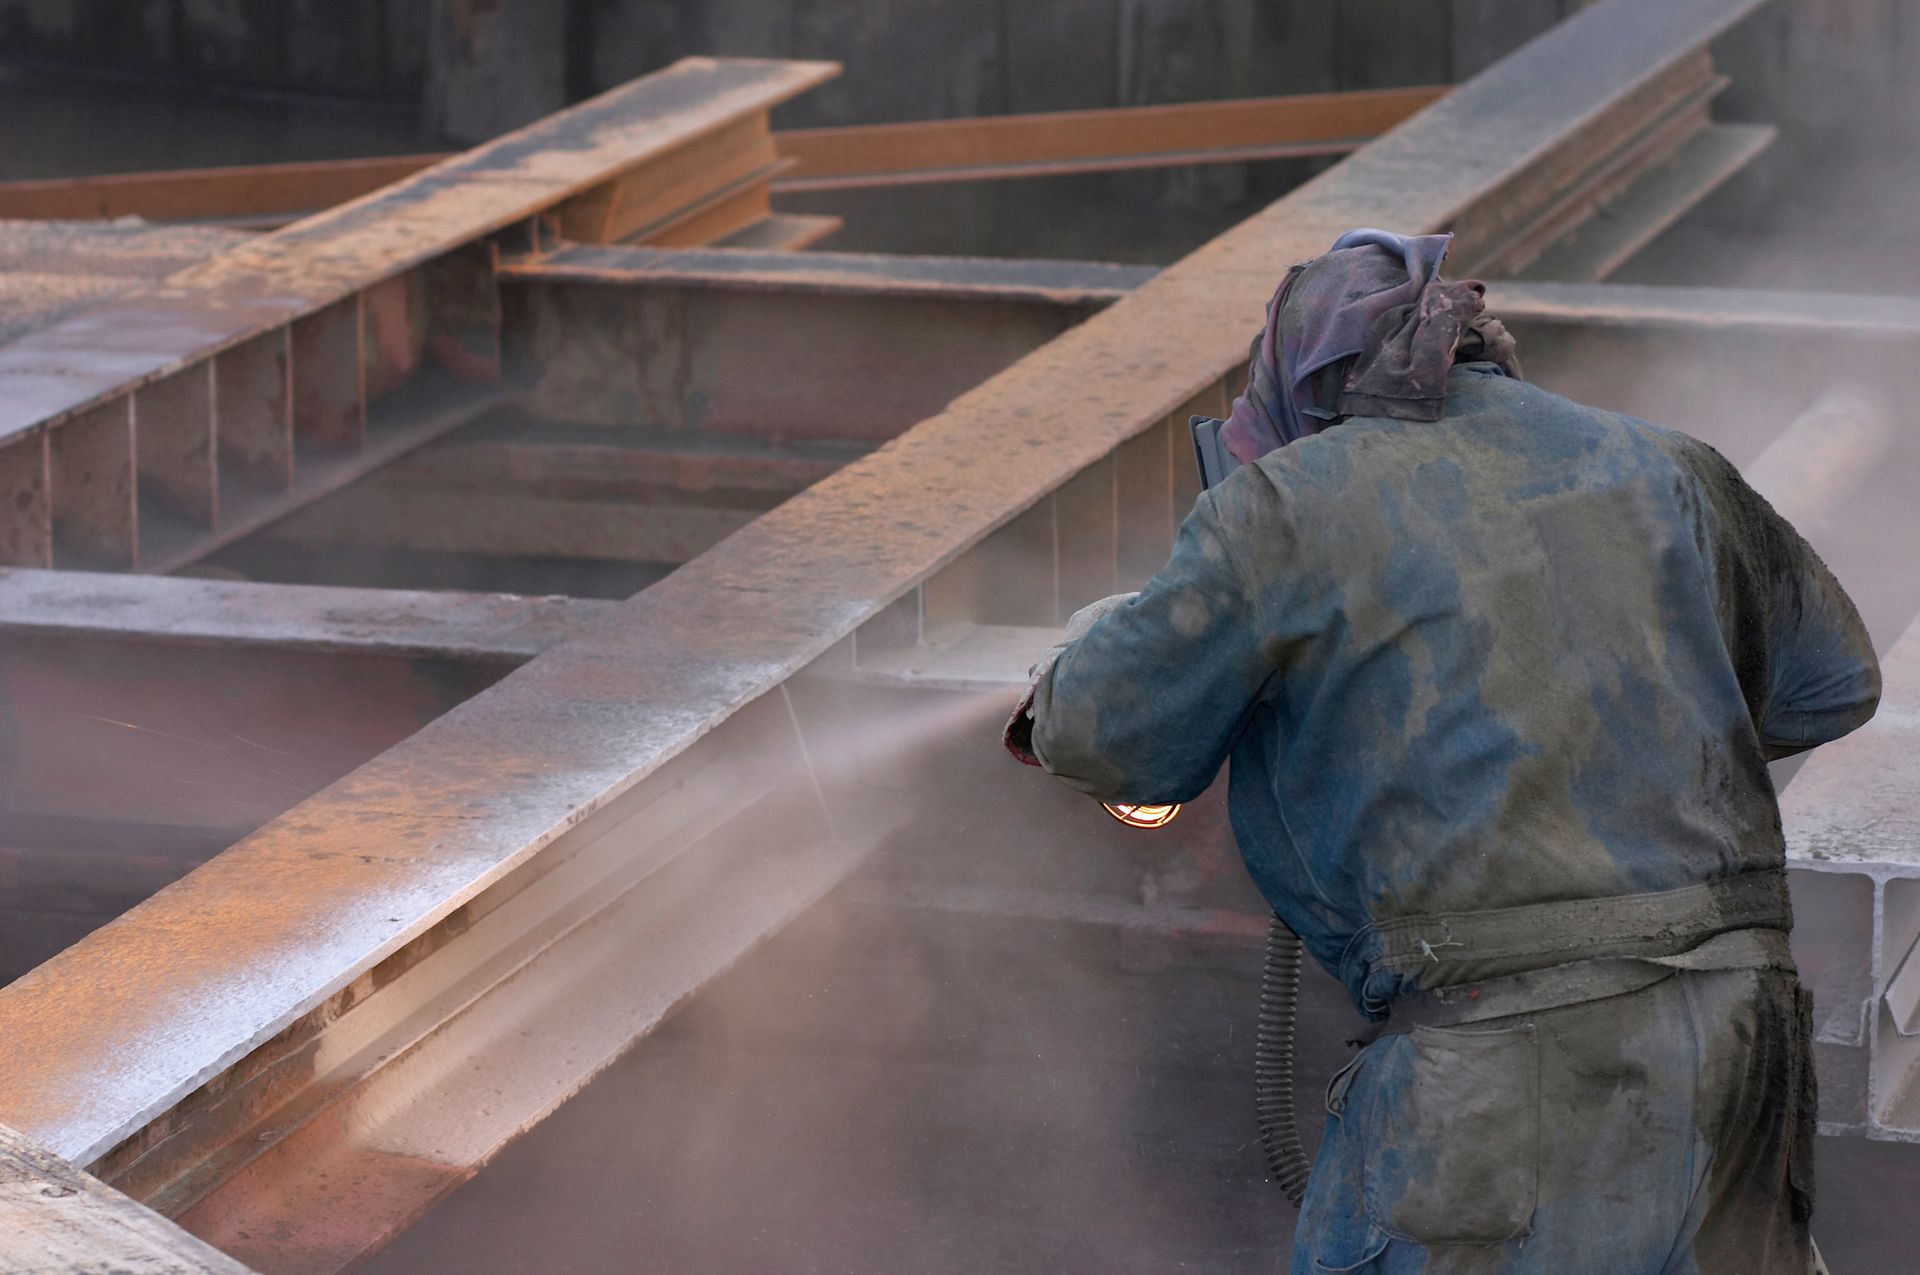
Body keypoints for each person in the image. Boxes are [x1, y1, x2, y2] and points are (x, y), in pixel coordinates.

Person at [1003, 229, 1876, 1274]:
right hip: (1744, 1036)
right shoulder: (1671, 464)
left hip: (1499, 1070)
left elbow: (1106, 737)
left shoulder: (1283, 506)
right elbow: (1835, 683)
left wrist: (1094, 649)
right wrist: (1639, 725)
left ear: (1301, 379)